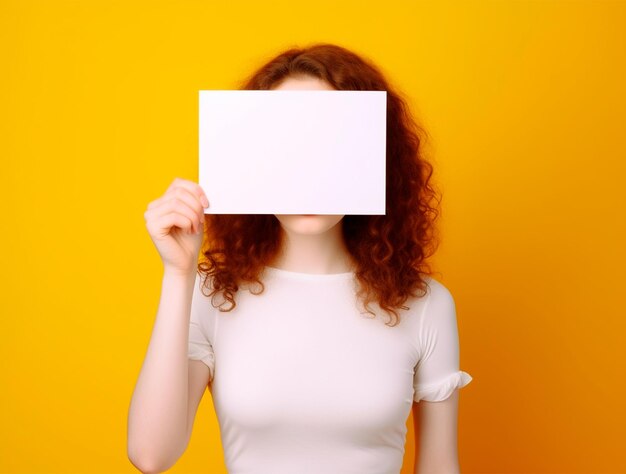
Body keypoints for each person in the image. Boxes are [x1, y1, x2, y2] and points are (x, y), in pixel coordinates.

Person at [127, 43, 473, 474]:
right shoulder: (213, 296)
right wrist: (178, 275)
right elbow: (150, 455)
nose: (308, 173)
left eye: (330, 143)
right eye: (287, 146)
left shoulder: (426, 304)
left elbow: (440, 467)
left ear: (372, 157)